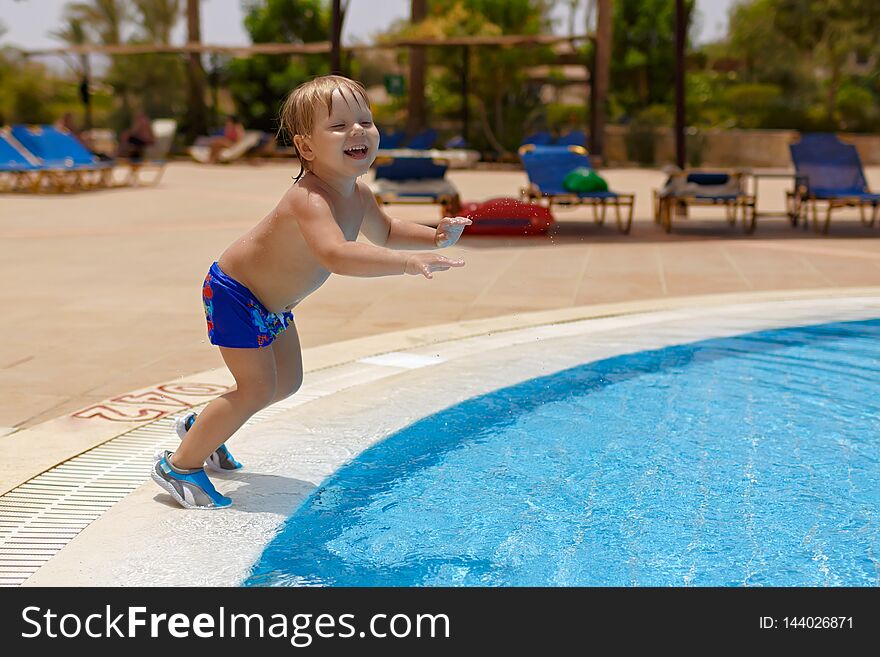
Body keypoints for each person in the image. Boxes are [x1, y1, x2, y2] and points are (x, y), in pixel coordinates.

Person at [151, 75, 472, 509]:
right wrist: (406, 264)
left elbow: (389, 230)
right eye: (339, 126)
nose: (357, 131)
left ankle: (202, 428)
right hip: (236, 294)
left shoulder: (358, 193)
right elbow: (336, 254)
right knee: (257, 388)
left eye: (364, 120)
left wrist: (434, 237)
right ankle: (178, 466)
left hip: (274, 304)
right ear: (305, 148)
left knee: (288, 383)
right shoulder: (309, 199)